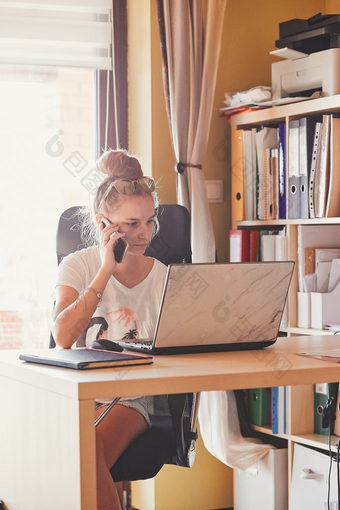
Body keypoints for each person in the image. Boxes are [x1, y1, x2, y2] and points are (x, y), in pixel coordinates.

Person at [52, 149, 167, 510]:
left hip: (131, 394)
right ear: (104, 223)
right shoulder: (77, 266)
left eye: (150, 221)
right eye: (132, 223)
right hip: (80, 392)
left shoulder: (163, 275)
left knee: (89, 448)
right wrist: (105, 269)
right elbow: (63, 336)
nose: (145, 232)